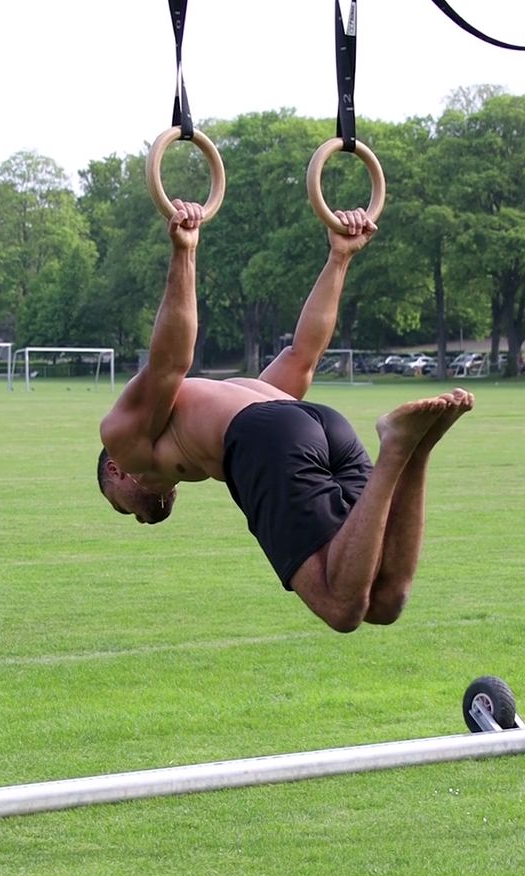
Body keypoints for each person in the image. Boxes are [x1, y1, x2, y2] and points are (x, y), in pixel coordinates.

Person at [98, 200, 474, 633]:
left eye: (122, 510)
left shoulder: (125, 439)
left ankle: (398, 446)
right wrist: (339, 258)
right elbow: (302, 356)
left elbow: (169, 362)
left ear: (115, 471)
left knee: (340, 608)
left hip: (269, 440)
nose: (142, 519)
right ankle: (417, 449)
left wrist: (185, 252)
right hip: (318, 424)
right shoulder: (226, 402)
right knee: (385, 599)